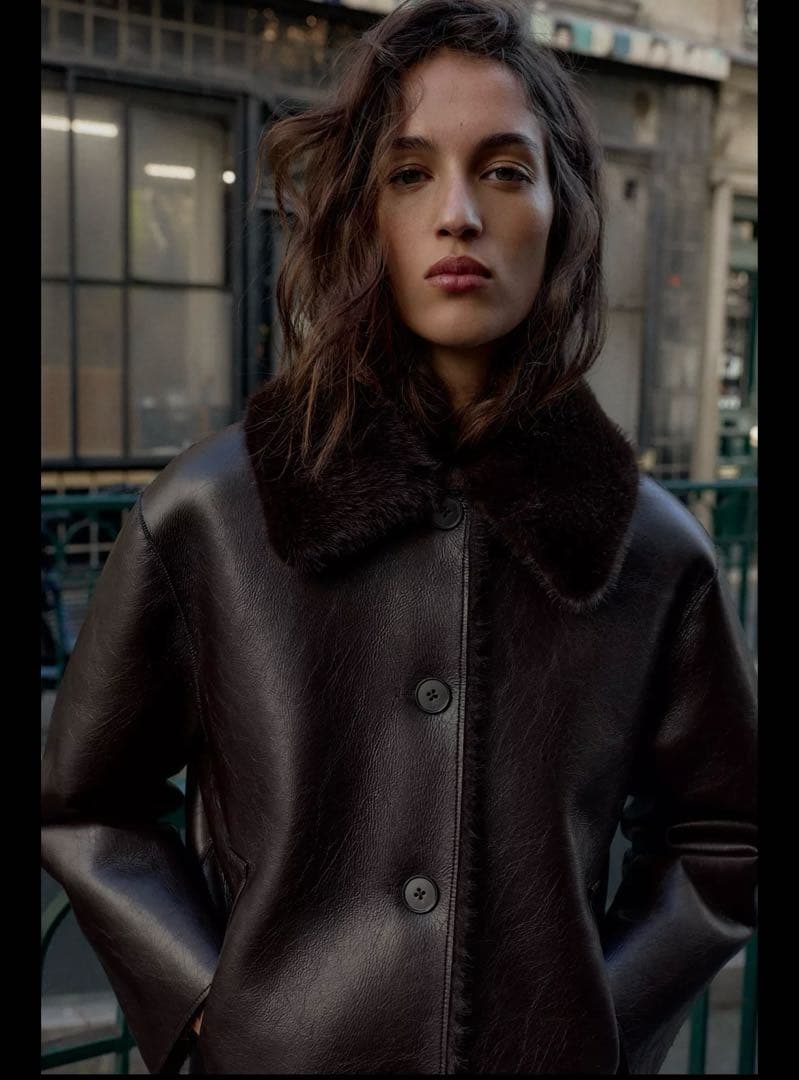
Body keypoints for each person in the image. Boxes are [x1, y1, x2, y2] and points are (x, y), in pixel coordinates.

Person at [41, 0, 757, 1074]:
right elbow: (88, 805)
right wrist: (212, 1014)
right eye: (409, 172)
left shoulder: (650, 553)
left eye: (504, 171)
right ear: (358, 210)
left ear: (561, 209)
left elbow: (722, 835)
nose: (457, 215)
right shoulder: (212, 516)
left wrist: (596, 1022)